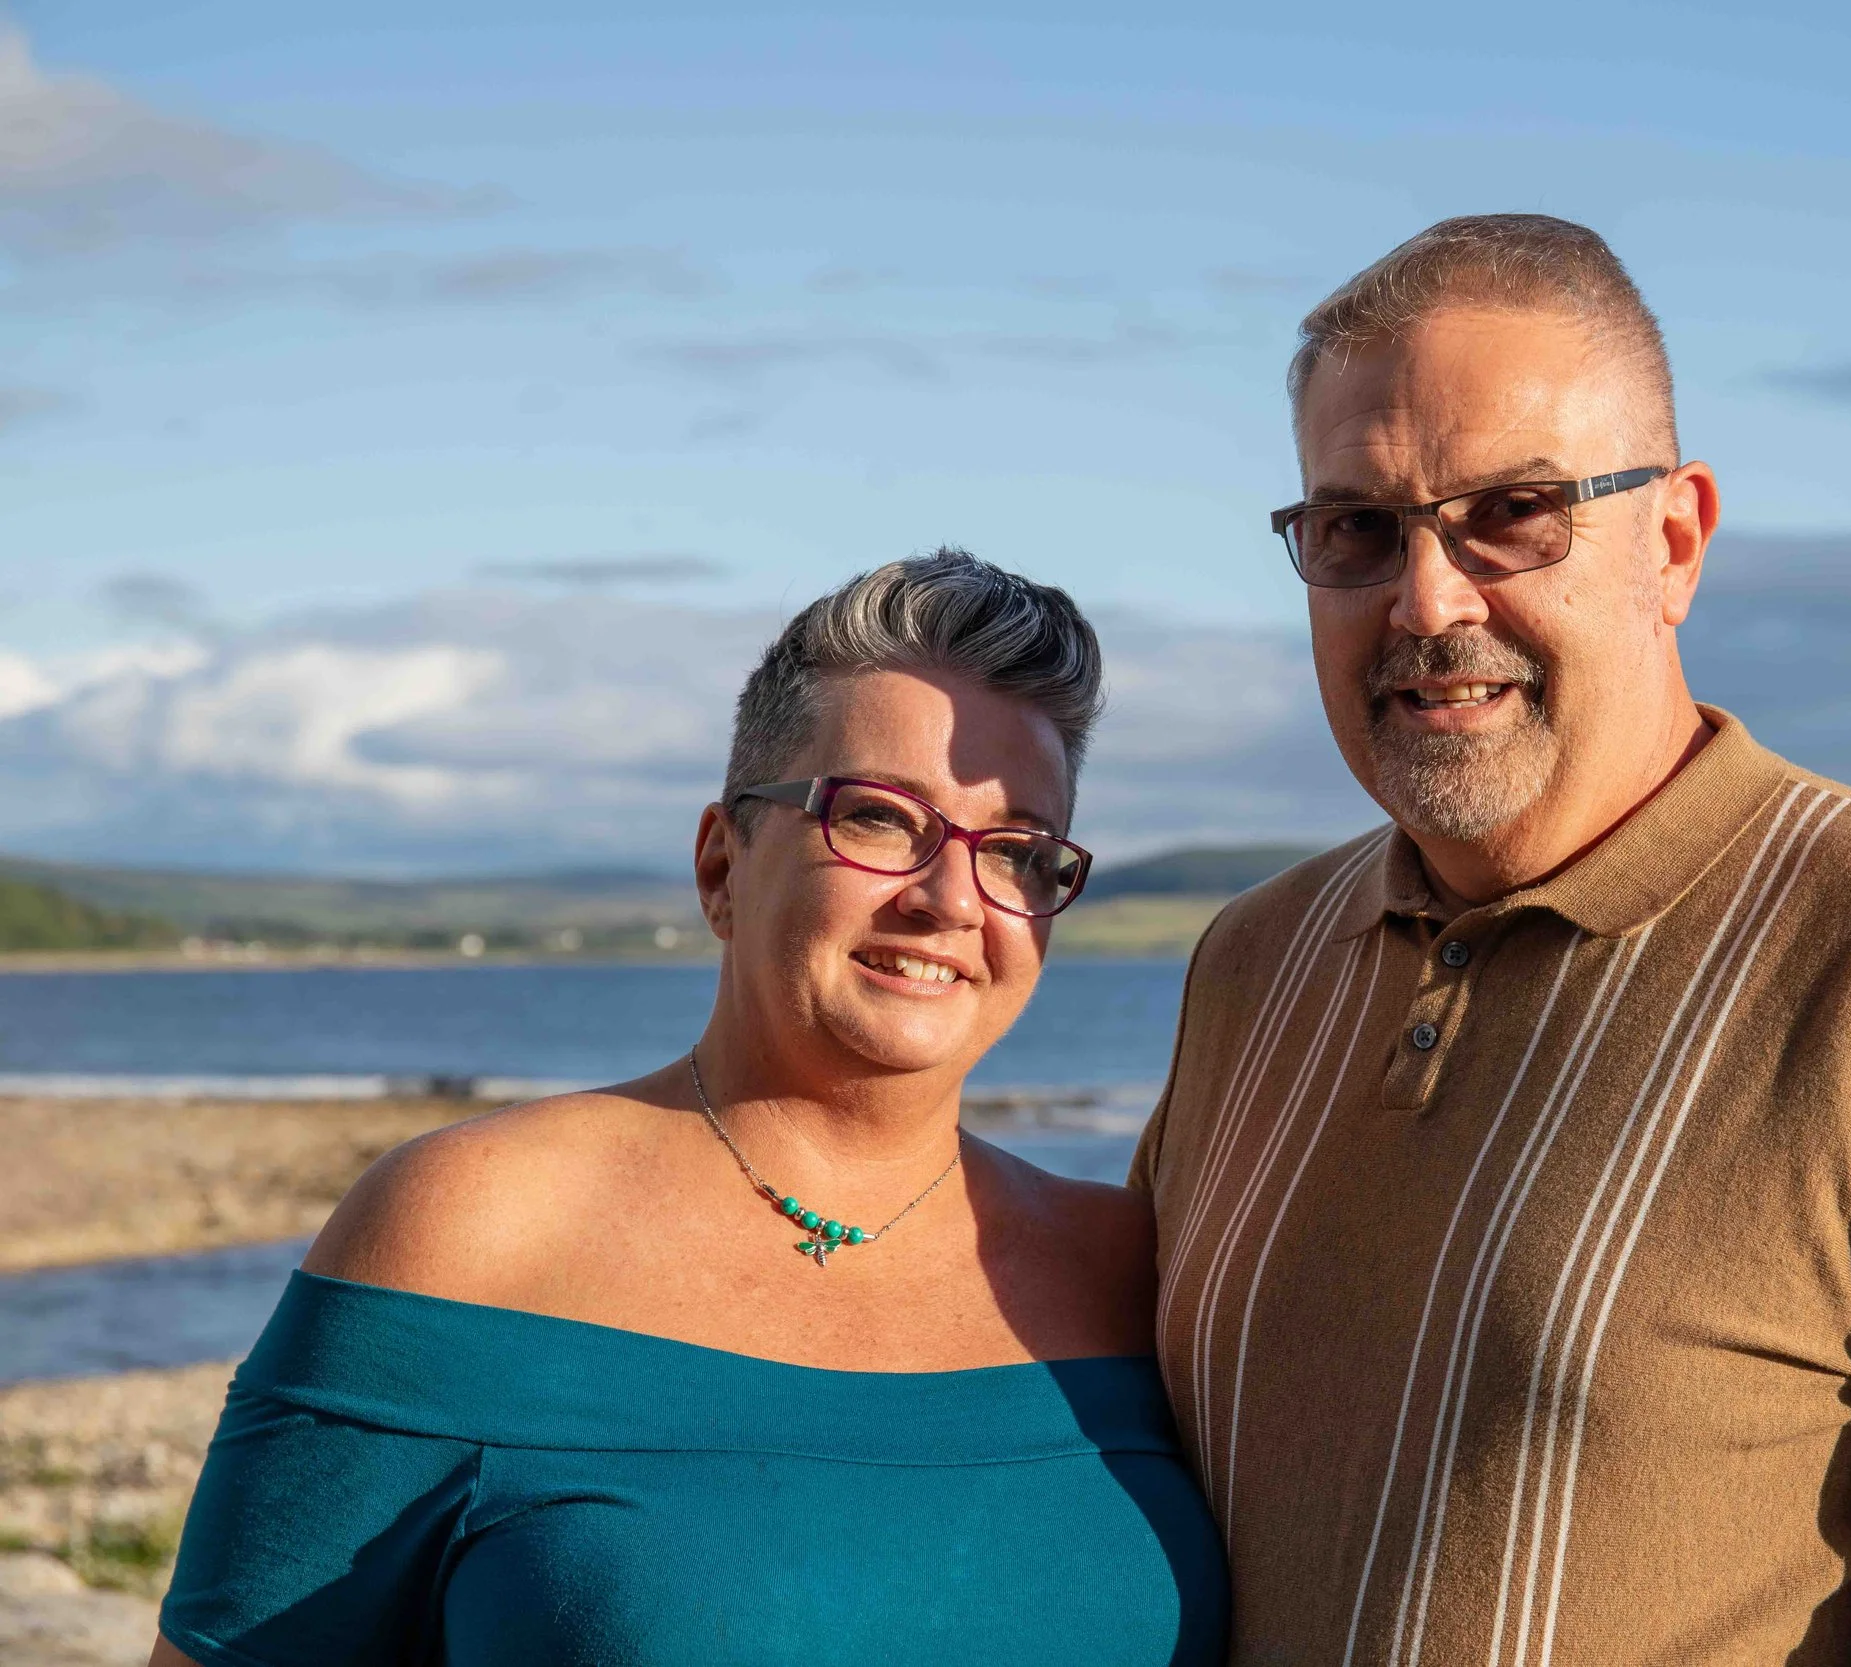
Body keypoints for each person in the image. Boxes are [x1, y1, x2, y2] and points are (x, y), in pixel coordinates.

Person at [1130, 215, 1851, 1664]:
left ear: (1673, 540)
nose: (1428, 598)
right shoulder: (1257, 960)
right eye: (1358, 530)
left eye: (1512, 511)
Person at [153, 551, 1227, 1666]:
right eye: (877, 817)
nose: (950, 898)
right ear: (722, 864)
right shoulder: (476, 1227)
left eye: (1016, 851)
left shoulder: (1128, 1269)